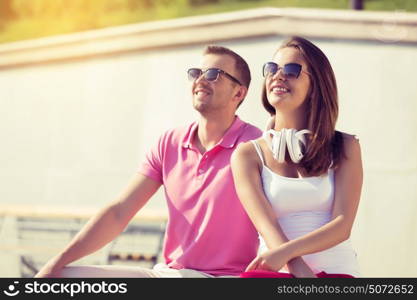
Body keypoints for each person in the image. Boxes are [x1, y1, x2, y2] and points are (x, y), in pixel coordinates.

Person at [35, 45, 262, 278]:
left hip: (225, 278)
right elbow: (119, 212)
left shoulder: (256, 144)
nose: (201, 80)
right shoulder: (169, 142)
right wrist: (56, 261)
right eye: (196, 73)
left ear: (239, 93)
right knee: (61, 278)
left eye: (213, 74)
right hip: (169, 274)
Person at [231, 36, 363, 278]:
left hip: (336, 272)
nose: (278, 76)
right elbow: (267, 227)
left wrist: (288, 253)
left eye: (291, 70)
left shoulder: (346, 146)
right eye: (272, 69)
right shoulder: (247, 155)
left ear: (316, 86)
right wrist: (297, 267)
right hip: (276, 273)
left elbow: (342, 226)